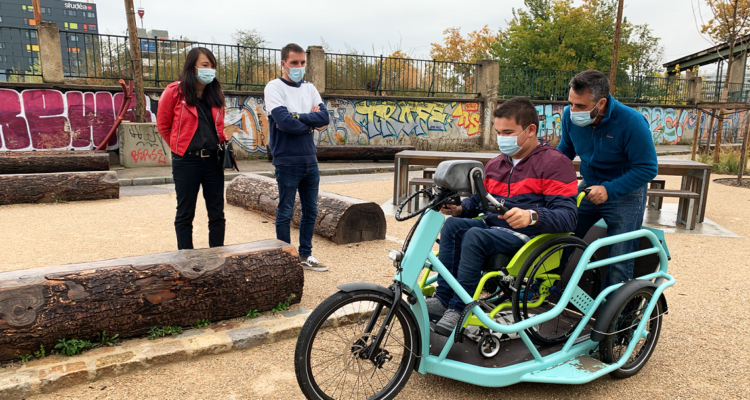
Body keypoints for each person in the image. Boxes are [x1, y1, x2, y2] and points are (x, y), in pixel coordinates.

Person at [429, 97, 579, 336]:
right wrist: (460, 209)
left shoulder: (555, 163)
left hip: (529, 238)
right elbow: (480, 201)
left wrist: (532, 216)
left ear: (531, 130)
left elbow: (568, 217)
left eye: (508, 132)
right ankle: (443, 299)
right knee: (453, 226)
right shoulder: (496, 163)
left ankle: (459, 309)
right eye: (498, 132)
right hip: (494, 229)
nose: (502, 139)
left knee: (475, 235)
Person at [558, 69, 658, 288]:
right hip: (589, 186)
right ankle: (554, 292)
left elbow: (647, 168)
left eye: (581, 106)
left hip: (625, 192)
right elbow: (564, 152)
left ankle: (616, 315)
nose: (573, 111)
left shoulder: (631, 122)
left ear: (601, 103)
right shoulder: (569, 116)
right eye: (571, 103)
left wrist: (609, 190)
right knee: (561, 238)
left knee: (620, 257)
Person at [264, 43, 330, 271]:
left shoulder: (310, 88)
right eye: (294, 63)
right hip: (286, 160)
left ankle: (305, 254)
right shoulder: (274, 88)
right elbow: (283, 122)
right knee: (285, 211)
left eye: (302, 63)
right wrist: (309, 123)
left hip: (309, 159)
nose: (299, 67)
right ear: (283, 64)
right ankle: (285, 257)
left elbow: (325, 118)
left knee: (311, 211)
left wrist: (297, 118)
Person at [156, 47, 227, 250]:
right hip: (186, 161)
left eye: (212, 66)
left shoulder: (216, 92)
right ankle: (186, 259)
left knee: (217, 212)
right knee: (185, 213)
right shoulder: (174, 92)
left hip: (213, 160)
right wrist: (180, 148)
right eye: (205, 65)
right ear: (192, 67)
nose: (210, 70)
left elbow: (218, 125)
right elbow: (163, 125)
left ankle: (217, 256)